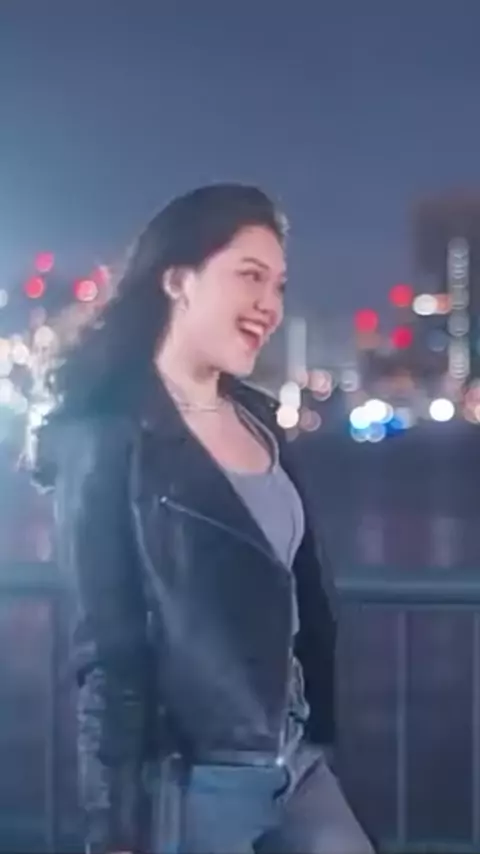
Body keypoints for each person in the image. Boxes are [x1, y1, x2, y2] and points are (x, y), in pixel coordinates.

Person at [34, 184, 374, 854]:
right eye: (249, 276)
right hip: (195, 779)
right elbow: (106, 650)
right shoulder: (108, 436)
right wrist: (116, 825)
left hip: (295, 759)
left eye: (278, 285)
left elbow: (297, 591)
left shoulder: (258, 418)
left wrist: (319, 728)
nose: (270, 304)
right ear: (178, 280)